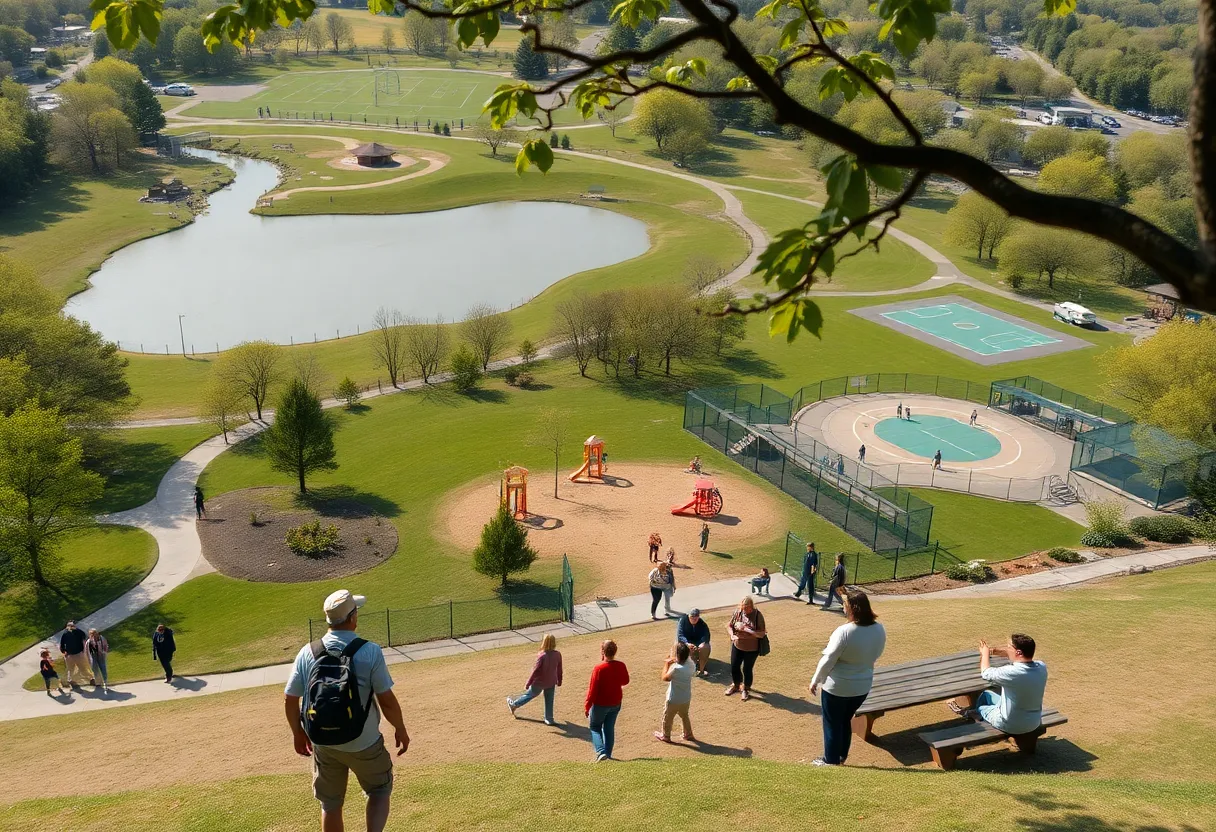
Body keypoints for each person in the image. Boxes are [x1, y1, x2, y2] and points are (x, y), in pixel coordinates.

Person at [285, 590, 410, 832]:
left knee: (330, 804)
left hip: (323, 743)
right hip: (364, 742)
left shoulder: (307, 652)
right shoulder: (369, 651)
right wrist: (400, 729)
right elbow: (387, 700)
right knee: (379, 789)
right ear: (352, 617)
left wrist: (297, 733)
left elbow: (290, 698)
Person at [809, 589, 887, 766]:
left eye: (845, 606)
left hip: (837, 687)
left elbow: (828, 659)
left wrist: (815, 680)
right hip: (862, 687)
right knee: (845, 720)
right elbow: (877, 653)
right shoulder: (879, 629)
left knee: (832, 723)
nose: (843, 609)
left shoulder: (844, 631)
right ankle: (841, 756)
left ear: (852, 608)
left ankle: (830, 760)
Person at [949, 634, 1048, 735]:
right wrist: (993, 650)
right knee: (986, 695)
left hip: (1010, 725)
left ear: (1018, 652)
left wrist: (985, 654)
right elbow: (1014, 655)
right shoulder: (1041, 667)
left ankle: (973, 715)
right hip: (1033, 722)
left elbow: (986, 673)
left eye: (1009, 647)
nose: (1006, 649)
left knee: (980, 708)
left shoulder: (1011, 672)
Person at [584, 639, 629, 761]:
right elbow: (625, 681)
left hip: (601, 704)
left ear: (603, 652)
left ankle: (600, 752)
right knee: (609, 728)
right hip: (616, 702)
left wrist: (587, 706)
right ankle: (608, 755)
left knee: (595, 726)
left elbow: (592, 690)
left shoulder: (599, 668)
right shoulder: (621, 665)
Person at [507, 633, 563, 725]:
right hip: (551, 681)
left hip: (539, 682)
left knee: (529, 695)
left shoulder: (542, 656)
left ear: (544, 643)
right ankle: (549, 719)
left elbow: (535, 671)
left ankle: (514, 704)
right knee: (549, 700)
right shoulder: (558, 654)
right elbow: (559, 669)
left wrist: (528, 683)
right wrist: (559, 680)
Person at [724, 596, 766, 701]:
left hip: (752, 649)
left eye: (746, 608)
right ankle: (736, 684)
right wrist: (732, 635)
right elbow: (729, 626)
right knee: (734, 666)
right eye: (743, 608)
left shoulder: (757, 615)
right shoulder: (738, 613)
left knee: (747, 669)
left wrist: (747, 630)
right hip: (737, 645)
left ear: (751, 607)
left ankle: (746, 689)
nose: (745, 611)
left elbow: (762, 633)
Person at [654, 642, 696, 743]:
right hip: (685, 698)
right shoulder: (691, 664)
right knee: (684, 715)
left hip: (673, 699)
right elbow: (686, 655)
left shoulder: (676, 668)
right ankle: (688, 734)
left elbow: (665, 678)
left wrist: (667, 664)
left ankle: (666, 736)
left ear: (678, 656)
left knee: (668, 717)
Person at [676, 609, 711, 677]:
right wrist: (687, 643)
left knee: (705, 647)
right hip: (686, 642)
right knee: (687, 650)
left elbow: (706, 634)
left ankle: (701, 669)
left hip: (698, 642)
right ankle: (691, 665)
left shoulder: (702, 623)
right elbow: (680, 635)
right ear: (688, 616)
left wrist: (703, 642)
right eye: (692, 617)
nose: (694, 619)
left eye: (696, 617)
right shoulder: (682, 621)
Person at [59, 620, 90, 687]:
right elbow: (62, 645)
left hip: (74, 653)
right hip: (73, 654)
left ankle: (90, 679)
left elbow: (61, 644)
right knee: (72, 668)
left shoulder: (73, 632)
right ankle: (71, 680)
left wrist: (64, 651)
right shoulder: (67, 633)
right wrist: (64, 652)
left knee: (75, 668)